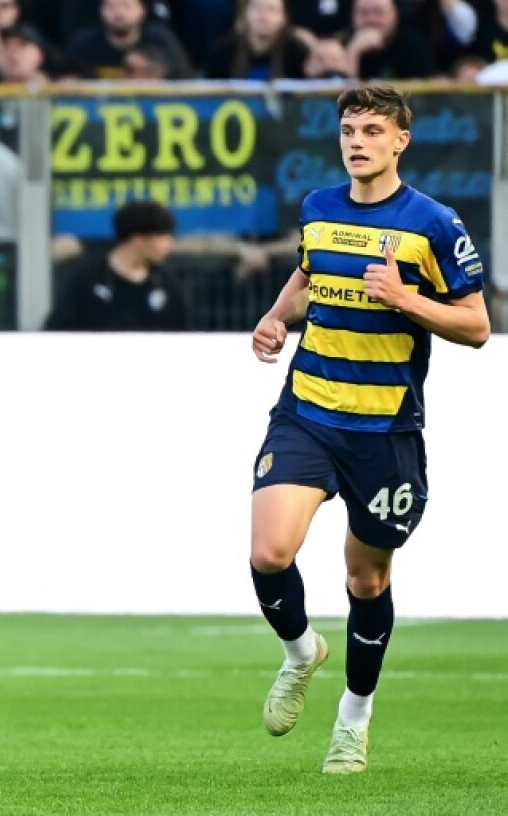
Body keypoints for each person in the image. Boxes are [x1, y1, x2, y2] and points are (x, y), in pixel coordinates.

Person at [248, 85, 488, 774]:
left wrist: (406, 298)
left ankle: (354, 716)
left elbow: (476, 326)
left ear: (399, 142)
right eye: (349, 129)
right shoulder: (318, 209)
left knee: (367, 580)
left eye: (373, 131)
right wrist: (275, 317)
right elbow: (306, 276)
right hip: (307, 410)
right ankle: (300, 653)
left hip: (384, 429)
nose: (358, 142)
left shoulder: (434, 224)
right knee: (269, 553)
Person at [43, 200, 186, 331]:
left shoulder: (165, 282)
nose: (169, 244)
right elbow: (58, 329)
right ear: (139, 240)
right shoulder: (87, 280)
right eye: (163, 237)